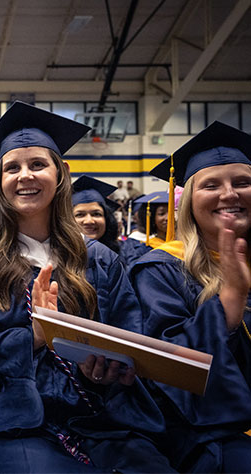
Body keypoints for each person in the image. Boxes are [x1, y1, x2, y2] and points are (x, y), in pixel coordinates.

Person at [0, 102, 172, 473]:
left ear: (62, 172)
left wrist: (106, 371)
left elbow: (130, 335)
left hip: (101, 422)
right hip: (9, 427)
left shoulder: (99, 259)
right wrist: (34, 336)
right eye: (11, 168)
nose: (25, 176)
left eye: (38, 164)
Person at [130, 121, 251, 472]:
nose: (229, 194)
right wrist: (230, 297)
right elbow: (169, 369)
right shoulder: (161, 269)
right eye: (211, 185)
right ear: (188, 201)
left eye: (242, 182)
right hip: (211, 433)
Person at [71, 175, 122, 254]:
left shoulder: (120, 254)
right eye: (80, 215)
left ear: (106, 219)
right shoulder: (56, 257)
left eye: (96, 214)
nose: (89, 221)